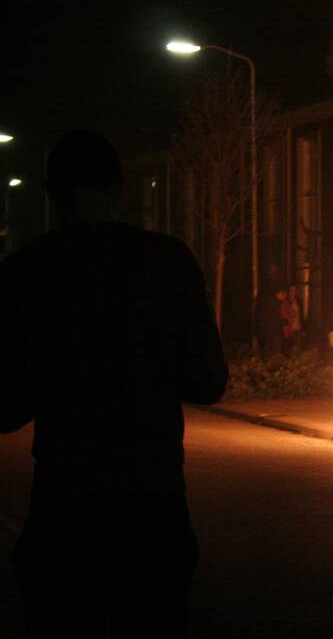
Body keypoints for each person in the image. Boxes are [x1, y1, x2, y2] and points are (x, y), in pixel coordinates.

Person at [0, 130, 227, 638]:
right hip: (153, 510)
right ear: (119, 188)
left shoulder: (22, 273)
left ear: (51, 193)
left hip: (64, 512)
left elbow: (5, 407)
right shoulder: (169, 262)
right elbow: (209, 382)